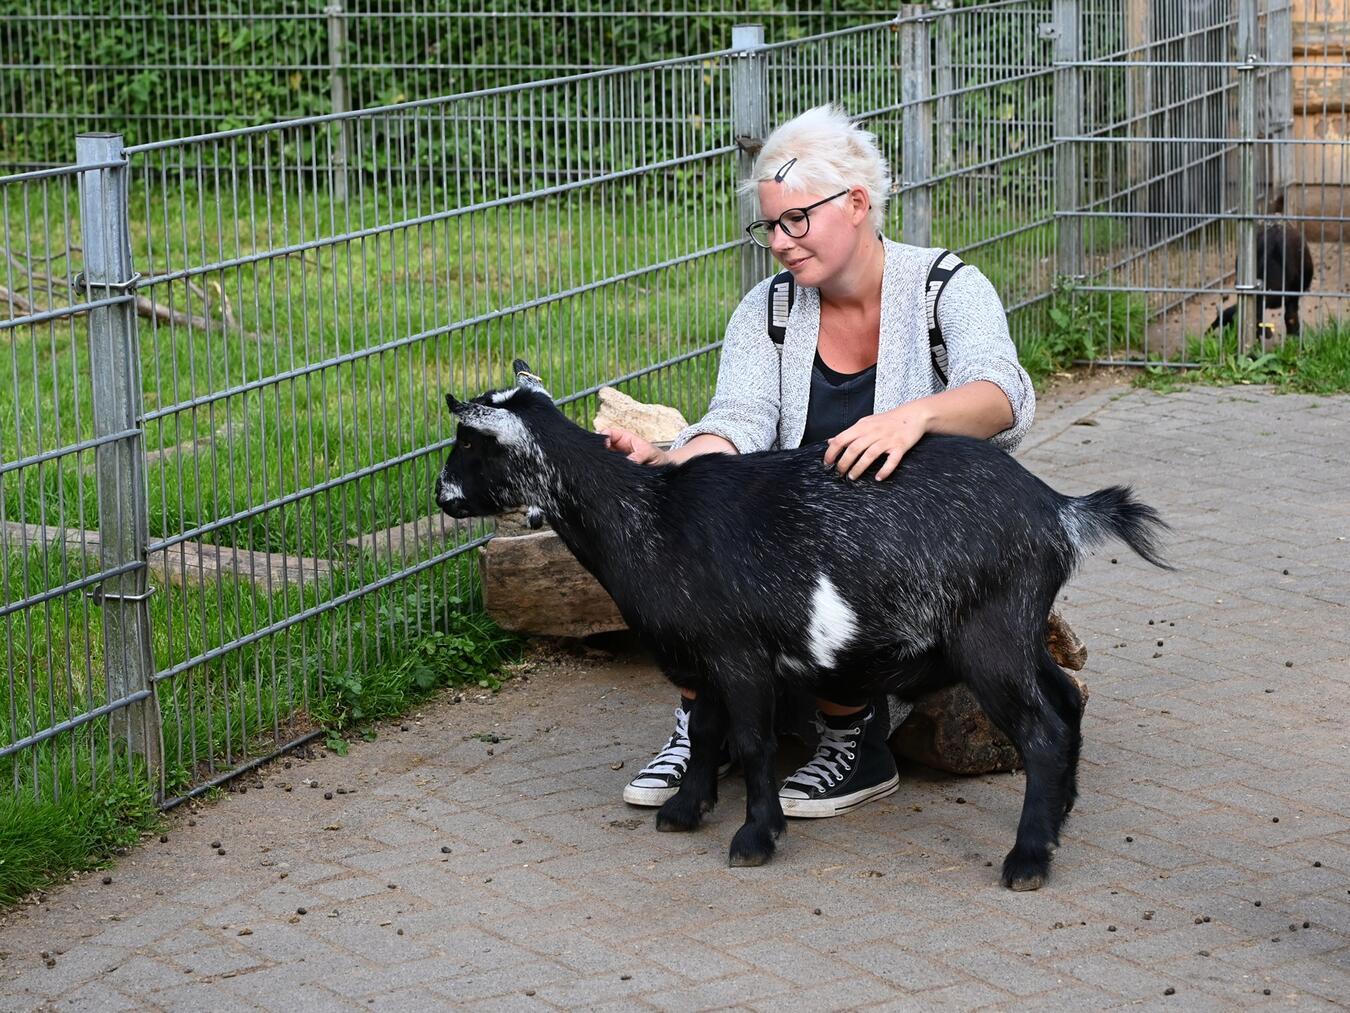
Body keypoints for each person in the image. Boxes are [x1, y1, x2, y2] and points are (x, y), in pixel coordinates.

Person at [602, 104, 1035, 819]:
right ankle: (705, 726)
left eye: (795, 219)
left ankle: (854, 740)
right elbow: (737, 421)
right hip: (803, 550)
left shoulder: (945, 287)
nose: (779, 241)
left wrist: (912, 416)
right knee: (682, 534)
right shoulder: (767, 311)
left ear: (857, 203)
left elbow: (1003, 393)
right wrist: (674, 462)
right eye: (770, 225)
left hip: (918, 549)